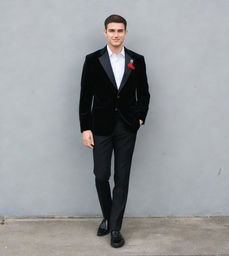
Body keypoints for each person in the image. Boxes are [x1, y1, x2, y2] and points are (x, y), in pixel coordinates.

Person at [79, 14, 150, 248]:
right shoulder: (92, 60)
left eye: (120, 30)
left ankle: (116, 228)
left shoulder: (136, 60)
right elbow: (85, 97)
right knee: (101, 175)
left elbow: (144, 93)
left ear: (126, 33)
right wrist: (85, 128)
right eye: (112, 30)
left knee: (122, 178)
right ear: (105, 33)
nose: (116, 34)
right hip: (100, 126)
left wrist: (140, 117)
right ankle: (108, 216)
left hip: (127, 127)